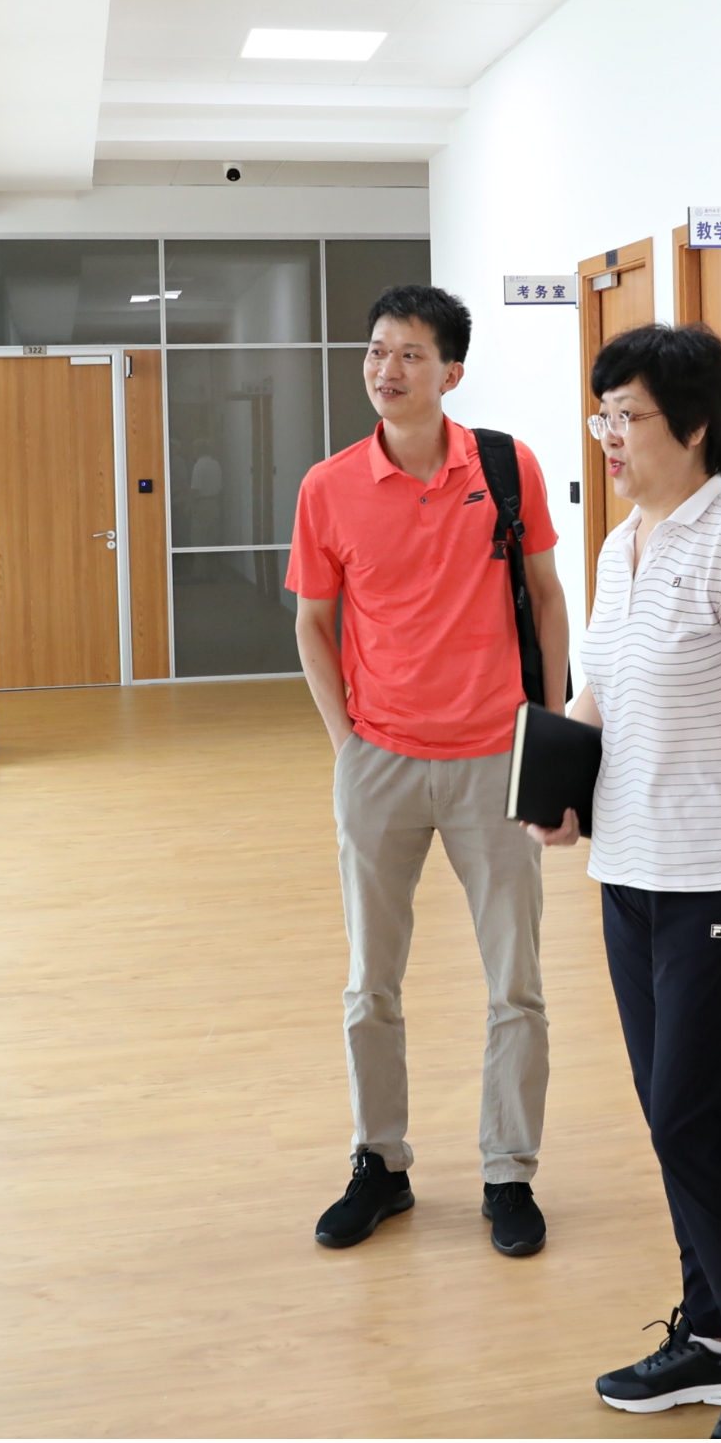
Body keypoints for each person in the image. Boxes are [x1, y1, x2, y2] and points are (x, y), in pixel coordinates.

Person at [552, 324, 721, 1437]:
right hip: (630, 875)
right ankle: (710, 1335)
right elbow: (601, 696)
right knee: (675, 1124)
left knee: (689, 1126)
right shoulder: (621, 546)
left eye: (629, 416)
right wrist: (557, 780)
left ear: (697, 425)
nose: (610, 436)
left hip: (720, 881)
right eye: (603, 415)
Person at [289, 283, 566, 1260]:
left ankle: (509, 1171)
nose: (387, 369)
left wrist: (547, 733)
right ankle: (380, 1162)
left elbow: (545, 597)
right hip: (381, 765)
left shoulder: (506, 466)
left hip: (494, 760)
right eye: (377, 350)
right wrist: (349, 745)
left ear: (451, 372)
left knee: (516, 983)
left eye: (410, 353)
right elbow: (313, 624)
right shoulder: (329, 487)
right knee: (371, 982)